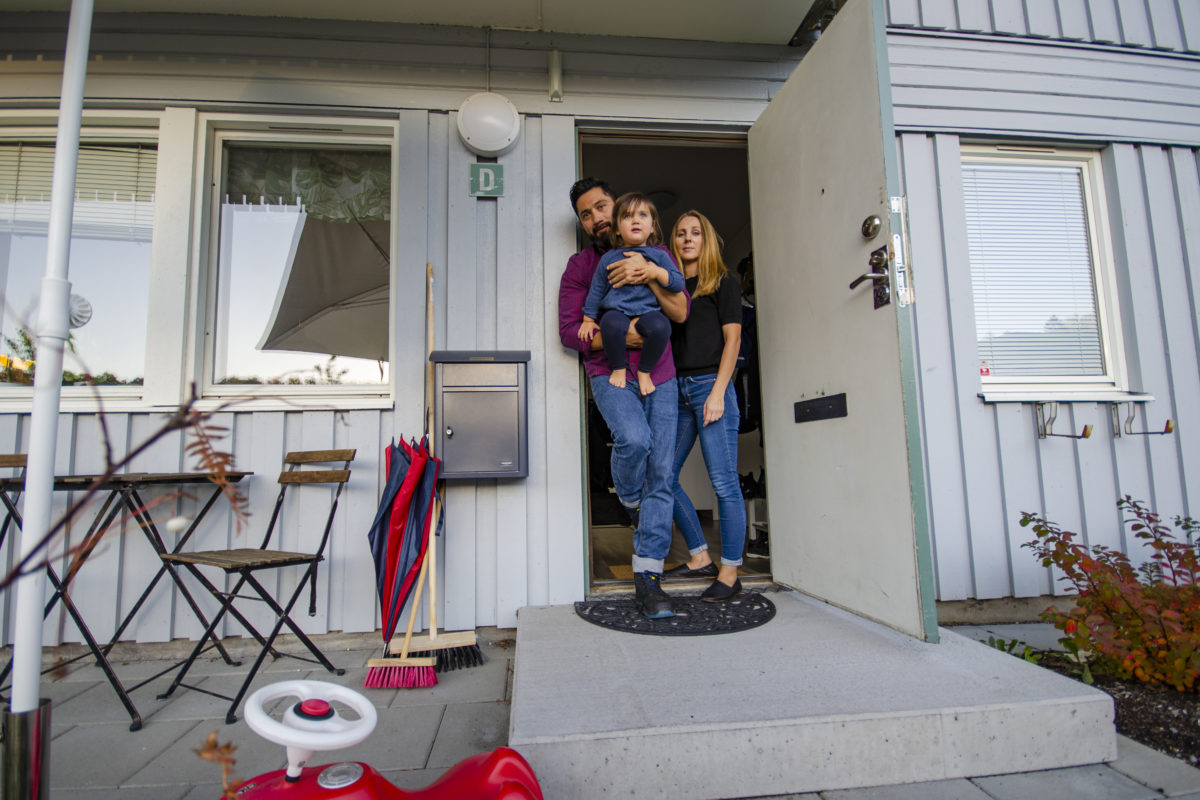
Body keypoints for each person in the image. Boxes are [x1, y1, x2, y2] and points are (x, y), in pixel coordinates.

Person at [558, 177, 689, 619]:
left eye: (601, 207)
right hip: (609, 373)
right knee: (634, 440)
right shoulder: (582, 266)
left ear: (621, 207)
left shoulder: (655, 253)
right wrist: (628, 333)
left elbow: (680, 311)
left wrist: (649, 274)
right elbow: (571, 333)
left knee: (663, 470)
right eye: (586, 214)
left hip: (661, 374)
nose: (596, 217)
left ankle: (648, 577)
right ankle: (629, 499)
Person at [663, 210, 747, 602]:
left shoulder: (723, 282)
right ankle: (700, 556)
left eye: (695, 232)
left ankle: (730, 571)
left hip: (711, 388)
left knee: (724, 482)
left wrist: (717, 392)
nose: (687, 239)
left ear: (706, 239)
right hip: (676, 391)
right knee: (662, 473)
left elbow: (733, 342)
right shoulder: (672, 286)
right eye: (680, 233)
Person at [578, 192, 685, 396]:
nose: (635, 220)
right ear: (617, 229)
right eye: (627, 216)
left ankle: (645, 371)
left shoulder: (660, 255)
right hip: (617, 311)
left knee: (661, 327)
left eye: (643, 215)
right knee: (610, 324)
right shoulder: (609, 258)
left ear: (652, 226)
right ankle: (618, 368)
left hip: (648, 312)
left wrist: (655, 272)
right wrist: (588, 319)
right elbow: (597, 289)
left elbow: (678, 283)